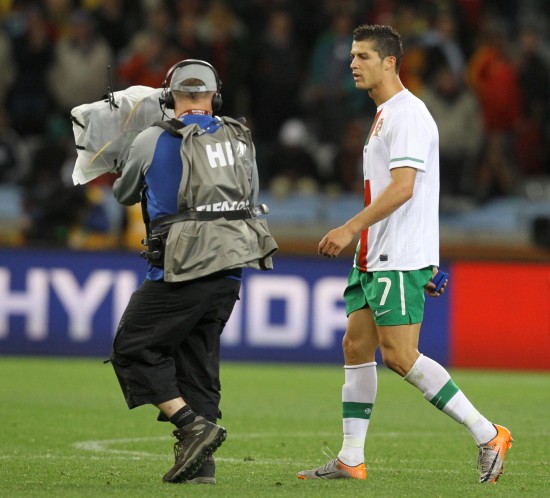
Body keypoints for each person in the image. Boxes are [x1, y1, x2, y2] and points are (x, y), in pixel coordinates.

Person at [297, 24, 512, 484]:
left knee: (399, 355)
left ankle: (488, 433)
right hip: (374, 254)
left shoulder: (408, 114)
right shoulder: (385, 114)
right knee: (356, 346)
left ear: (389, 62)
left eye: (363, 56)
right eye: (352, 56)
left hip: (396, 255)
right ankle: (351, 458)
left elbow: (404, 188)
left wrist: (352, 227)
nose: (352, 64)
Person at [109, 59, 277, 485]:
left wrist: (127, 152)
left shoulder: (153, 137)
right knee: (198, 363)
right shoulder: (240, 137)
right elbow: (252, 194)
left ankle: (191, 426)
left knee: (131, 347)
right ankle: (201, 467)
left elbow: (123, 194)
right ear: (214, 96)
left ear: (169, 96)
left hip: (182, 265)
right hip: (232, 265)